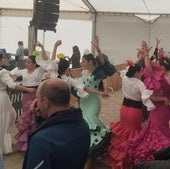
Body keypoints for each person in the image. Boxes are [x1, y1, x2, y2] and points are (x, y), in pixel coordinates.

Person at [22, 78, 90, 169]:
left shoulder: (41, 140)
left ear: (45, 102)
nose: (36, 103)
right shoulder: (83, 125)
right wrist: (40, 118)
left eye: (37, 98)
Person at [122, 41, 170, 165]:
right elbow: (149, 69)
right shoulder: (161, 79)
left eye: (160, 65)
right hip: (159, 110)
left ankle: (160, 157)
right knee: (157, 134)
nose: (158, 66)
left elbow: (149, 69)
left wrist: (146, 54)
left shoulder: (164, 80)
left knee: (160, 133)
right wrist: (146, 54)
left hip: (162, 111)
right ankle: (158, 157)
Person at [101, 61, 156, 169]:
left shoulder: (125, 78)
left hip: (124, 108)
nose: (142, 74)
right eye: (140, 72)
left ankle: (118, 158)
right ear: (136, 73)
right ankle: (126, 161)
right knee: (132, 135)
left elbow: (122, 72)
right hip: (135, 111)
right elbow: (146, 97)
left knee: (123, 133)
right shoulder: (139, 83)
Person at [80, 36, 116, 168]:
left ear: (90, 62)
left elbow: (104, 63)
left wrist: (97, 48)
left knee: (90, 123)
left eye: (83, 61)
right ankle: (88, 155)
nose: (81, 63)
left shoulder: (97, 71)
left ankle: (90, 158)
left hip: (93, 102)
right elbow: (80, 87)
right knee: (84, 127)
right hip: (83, 103)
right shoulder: (83, 72)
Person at [11, 44, 49, 151]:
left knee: (35, 116)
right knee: (27, 118)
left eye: (28, 62)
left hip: (36, 96)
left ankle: (35, 141)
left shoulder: (39, 70)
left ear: (34, 63)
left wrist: (41, 48)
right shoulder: (22, 71)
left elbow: (46, 62)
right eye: (25, 62)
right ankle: (25, 143)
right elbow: (11, 74)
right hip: (26, 96)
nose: (26, 64)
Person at [0, 53, 36, 156]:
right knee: (5, 122)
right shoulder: (2, 72)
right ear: (1, 60)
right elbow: (11, 84)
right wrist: (27, 89)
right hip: (2, 99)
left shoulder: (4, 72)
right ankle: (3, 146)